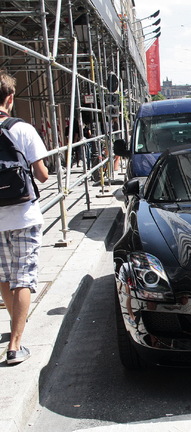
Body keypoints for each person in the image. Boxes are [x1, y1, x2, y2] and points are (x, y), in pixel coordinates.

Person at [0, 70, 49, 365]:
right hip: (24, 216)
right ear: (10, 97)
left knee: (4, 277)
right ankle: (16, 344)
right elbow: (42, 175)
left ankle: (14, 323)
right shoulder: (22, 128)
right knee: (23, 278)